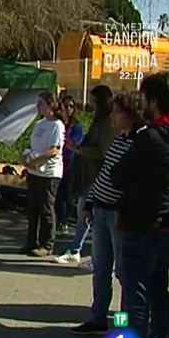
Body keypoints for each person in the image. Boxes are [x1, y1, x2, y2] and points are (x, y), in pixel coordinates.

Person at [88, 72, 169, 338]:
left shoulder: (150, 138)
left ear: (153, 101)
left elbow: (120, 176)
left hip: (140, 224)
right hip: (168, 224)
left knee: (133, 298)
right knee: (158, 290)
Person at [69, 91, 143, 336]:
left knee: (123, 274)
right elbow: (103, 176)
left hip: (118, 216)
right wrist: (90, 203)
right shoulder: (119, 141)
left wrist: (124, 210)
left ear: (131, 115)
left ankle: (122, 325)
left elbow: (134, 184)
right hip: (100, 211)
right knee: (101, 270)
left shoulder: (139, 144)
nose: (113, 117)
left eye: (118, 112)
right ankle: (98, 317)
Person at [55, 86, 115, 265]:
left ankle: (94, 255)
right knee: (84, 213)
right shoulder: (99, 118)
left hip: (98, 174)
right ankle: (77, 249)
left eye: (92, 98)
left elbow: (103, 151)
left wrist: (79, 149)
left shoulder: (107, 122)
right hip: (89, 173)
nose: (89, 101)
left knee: (90, 214)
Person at [20, 92, 65, 257]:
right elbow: (31, 145)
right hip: (34, 171)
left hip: (48, 172)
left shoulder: (57, 125)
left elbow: (54, 150)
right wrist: (26, 158)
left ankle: (47, 244)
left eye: (41, 103)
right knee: (32, 208)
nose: (38, 106)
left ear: (50, 105)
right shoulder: (39, 124)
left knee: (46, 207)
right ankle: (31, 241)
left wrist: (37, 160)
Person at [54, 96, 84, 234]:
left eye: (71, 106)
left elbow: (74, 144)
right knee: (57, 195)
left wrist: (67, 142)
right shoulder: (57, 123)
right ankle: (59, 220)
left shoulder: (76, 126)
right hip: (57, 162)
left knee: (68, 196)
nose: (68, 109)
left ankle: (64, 221)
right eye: (65, 106)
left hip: (70, 163)